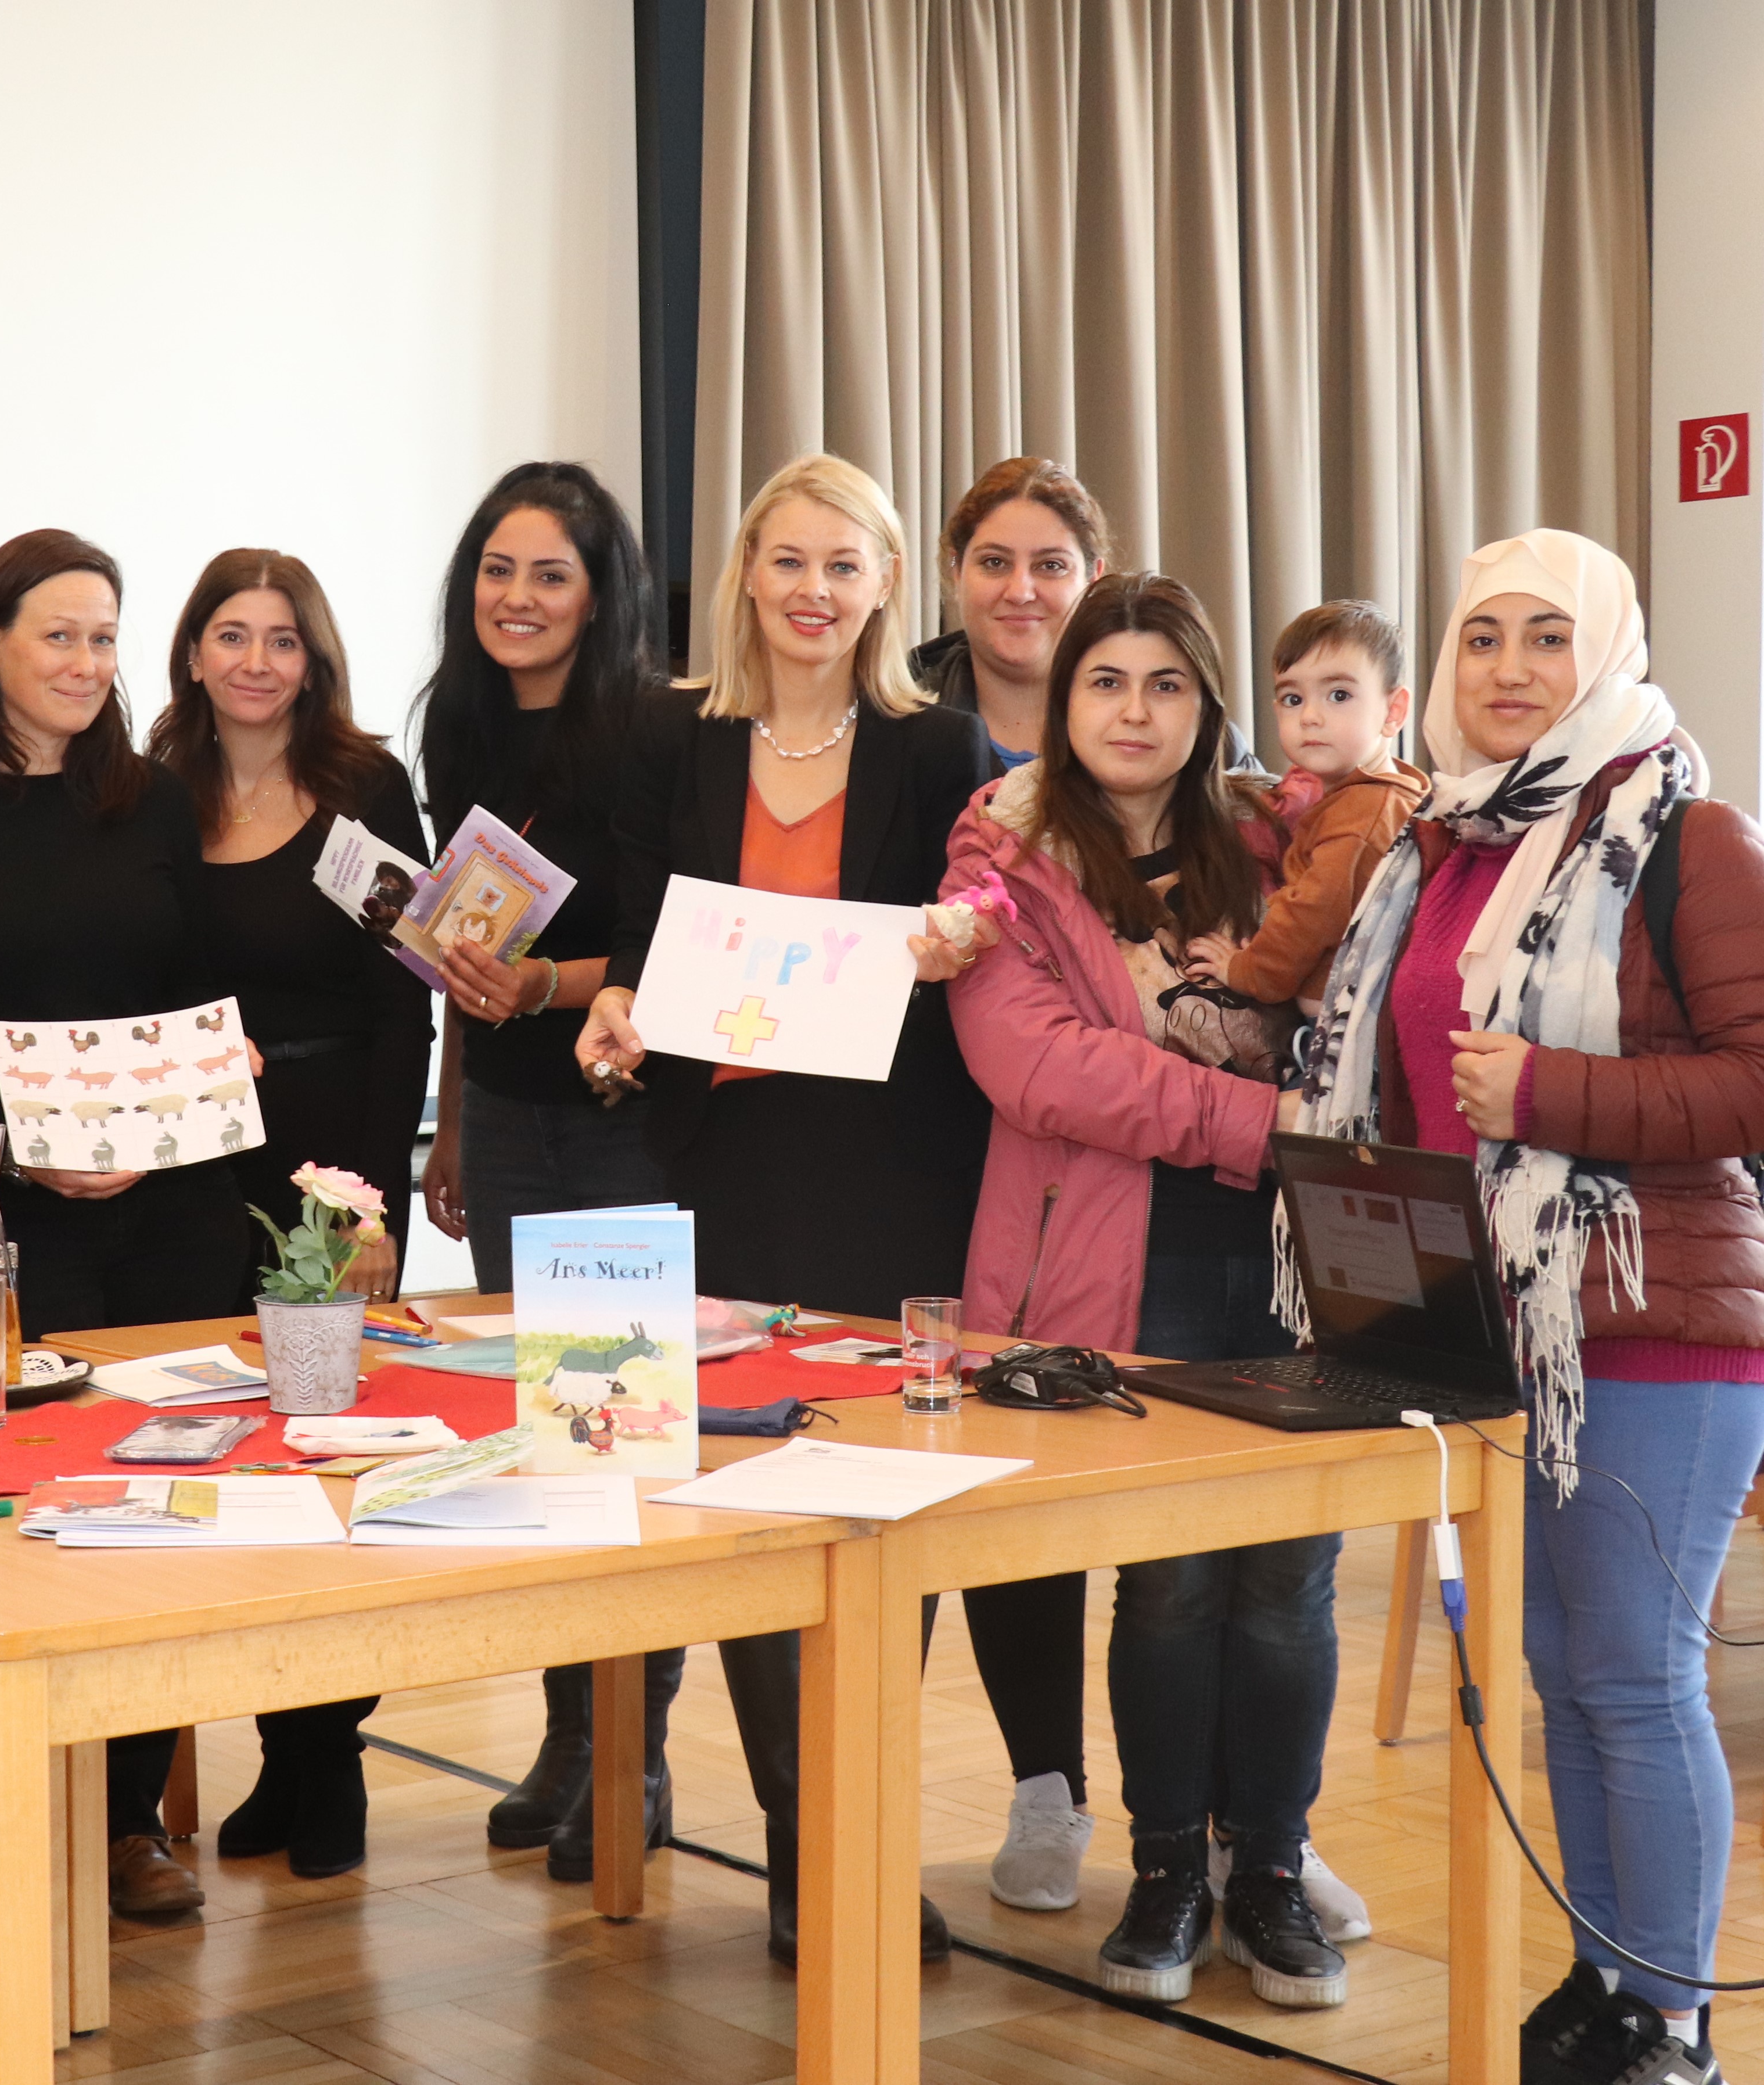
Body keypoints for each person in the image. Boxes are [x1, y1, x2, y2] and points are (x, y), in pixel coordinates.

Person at [1293, 531, 1764, 2085]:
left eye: (1544, 637)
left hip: (1647, 1318)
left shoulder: (1683, 831)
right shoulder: (1432, 844)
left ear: (1607, 652)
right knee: (1563, 1660)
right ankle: (1605, 1977)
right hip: (1494, 1327)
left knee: (1629, 1664)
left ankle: (1674, 2022)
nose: (1506, 670)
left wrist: (1550, 1087)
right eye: (1480, 637)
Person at [583, 453, 1014, 1961]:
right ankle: (801, 1860)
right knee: (750, 1515)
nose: (812, 591)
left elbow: (975, 932)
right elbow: (640, 935)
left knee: (869, 1522)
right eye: (786, 561)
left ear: (884, 583)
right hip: (723, 1173)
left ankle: (849, 1844)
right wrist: (619, 1009)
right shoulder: (666, 736)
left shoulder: (938, 742)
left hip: (893, 1174)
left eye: (842, 564)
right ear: (743, 574)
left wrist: (957, 942)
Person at [942, 572, 1353, 2014]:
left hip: (1297, 1262)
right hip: (1123, 1269)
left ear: (1207, 701)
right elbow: (1037, 1063)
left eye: (1165, 682)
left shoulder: (1283, 832)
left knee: (1292, 1582)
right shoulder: (1002, 849)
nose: (1135, 709)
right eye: (1105, 680)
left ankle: (1274, 1871)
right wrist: (1263, 1124)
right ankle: (1170, 1865)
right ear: (1063, 705)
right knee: (1173, 1583)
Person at [0, 527, 254, 1919]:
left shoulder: (154, 800)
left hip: (166, 1211)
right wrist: (24, 1154)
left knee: (157, 1499)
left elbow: (196, 997)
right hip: (10, 1211)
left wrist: (152, 1123)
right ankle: (28, 1799)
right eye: (58, 632)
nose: (85, 662)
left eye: (106, 637)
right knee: (39, 1511)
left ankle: (124, 1824)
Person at [404, 463, 681, 1862]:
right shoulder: (454, 731)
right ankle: (575, 1731)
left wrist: (549, 988)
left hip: (624, 1107)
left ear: (600, 591)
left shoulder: (652, 730)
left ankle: (637, 1755)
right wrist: (454, 1117)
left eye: (549, 575)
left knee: (621, 1431)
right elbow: (462, 959)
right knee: (548, 1428)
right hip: (509, 1110)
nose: (516, 598)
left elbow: (673, 945)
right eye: (497, 571)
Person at [148, 547, 433, 1879]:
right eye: (230, 634)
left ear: (314, 659)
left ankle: (330, 1756)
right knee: (221, 1459)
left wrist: (373, 1200)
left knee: (330, 1466)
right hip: (197, 1169)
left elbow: (402, 1000)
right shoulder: (153, 788)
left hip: (335, 1173)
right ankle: (280, 1745)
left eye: (282, 639)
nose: (256, 660)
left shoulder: (364, 793)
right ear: (194, 652)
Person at [1181, 602, 1424, 1013]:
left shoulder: (1363, 815)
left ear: (1393, 711)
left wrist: (1244, 970)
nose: (1310, 716)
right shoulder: (1374, 796)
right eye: (1293, 698)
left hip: (1349, 1031)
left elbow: (1314, 911)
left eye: (1339, 695)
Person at [908, 456, 1109, 769]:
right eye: (995, 563)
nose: (1020, 593)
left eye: (1051, 566)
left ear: (1092, 580)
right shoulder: (892, 722)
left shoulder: (1145, 719)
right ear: (957, 570)